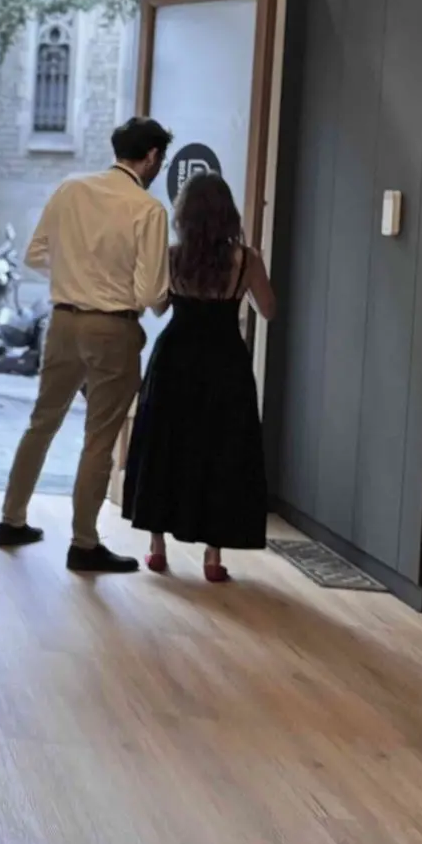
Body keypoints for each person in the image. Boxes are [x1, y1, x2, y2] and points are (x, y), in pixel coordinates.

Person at [0, 118, 172, 573]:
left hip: (62, 321)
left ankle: (11, 519)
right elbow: (153, 294)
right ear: (152, 156)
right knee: (99, 437)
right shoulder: (148, 209)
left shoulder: (71, 188)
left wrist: (75, 275)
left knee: (42, 422)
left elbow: (35, 254)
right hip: (112, 327)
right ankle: (84, 543)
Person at [123, 173, 277, 582]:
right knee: (221, 450)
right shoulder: (247, 259)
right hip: (225, 361)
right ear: (228, 214)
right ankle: (212, 555)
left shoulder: (172, 257)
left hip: (175, 358)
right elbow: (269, 309)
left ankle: (157, 547)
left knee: (165, 444)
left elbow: (157, 307)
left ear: (184, 215)